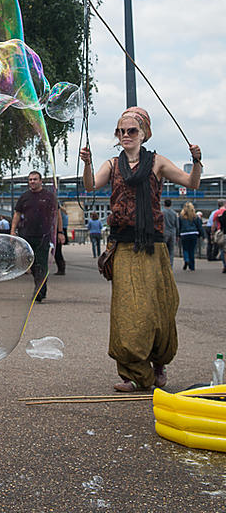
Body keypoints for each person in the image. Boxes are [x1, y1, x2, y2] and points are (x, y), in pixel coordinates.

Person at [80, 106, 202, 393]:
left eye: (131, 131)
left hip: (153, 245)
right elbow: (90, 186)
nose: (125, 135)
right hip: (122, 245)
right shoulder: (111, 164)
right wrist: (87, 163)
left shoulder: (158, 162)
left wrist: (196, 161)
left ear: (144, 133)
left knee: (160, 307)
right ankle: (134, 374)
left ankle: (159, 364)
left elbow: (192, 183)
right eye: (121, 131)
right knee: (128, 312)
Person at [10, 171, 62, 303]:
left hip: (43, 235)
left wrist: (60, 232)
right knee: (31, 264)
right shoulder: (24, 197)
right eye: (30, 180)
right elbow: (17, 214)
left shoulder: (49, 196)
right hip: (26, 234)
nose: (32, 182)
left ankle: (40, 291)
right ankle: (38, 286)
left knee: (42, 264)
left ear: (41, 181)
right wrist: (12, 231)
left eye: (35, 179)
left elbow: (57, 215)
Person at [178, 202, 204, 271]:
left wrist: (178, 235)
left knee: (185, 249)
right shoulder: (195, 217)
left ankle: (186, 259)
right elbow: (199, 226)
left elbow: (179, 227)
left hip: (184, 234)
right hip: (193, 233)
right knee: (192, 250)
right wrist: (202, 235)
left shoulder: (181, 217)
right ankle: (192, 266)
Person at [162, 198, 179, 268]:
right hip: (172, 232)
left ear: (164, 204)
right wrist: (177, 235)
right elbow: (177, 225)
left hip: (164, 232)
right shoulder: (174, 213)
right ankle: (170, 265)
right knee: (171, 251)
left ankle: (163, 265)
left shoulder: (162, 213)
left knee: (163, 250)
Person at [54, 203, 69, 274]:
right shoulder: (65, 214)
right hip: (62, 230)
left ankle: (61, 269)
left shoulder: (60, 214)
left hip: (58, 230)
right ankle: (61, 268)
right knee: (57, 251)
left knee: (57, 251)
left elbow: (59, 220)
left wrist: (60, 232)